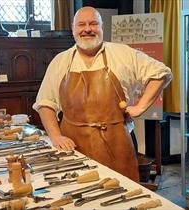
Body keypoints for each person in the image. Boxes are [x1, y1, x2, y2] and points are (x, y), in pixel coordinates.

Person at [33, 6, 172, 182]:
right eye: (81, 24)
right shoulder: (60, 61)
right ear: (74, 29)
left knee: (122, 196)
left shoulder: (122, 54)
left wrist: (140, 107)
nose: (87, 29)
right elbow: (45, 103)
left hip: (117, 145)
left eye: (93, 24)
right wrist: (56, 136)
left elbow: (160, 73)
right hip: (73, 148)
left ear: (101, 27)